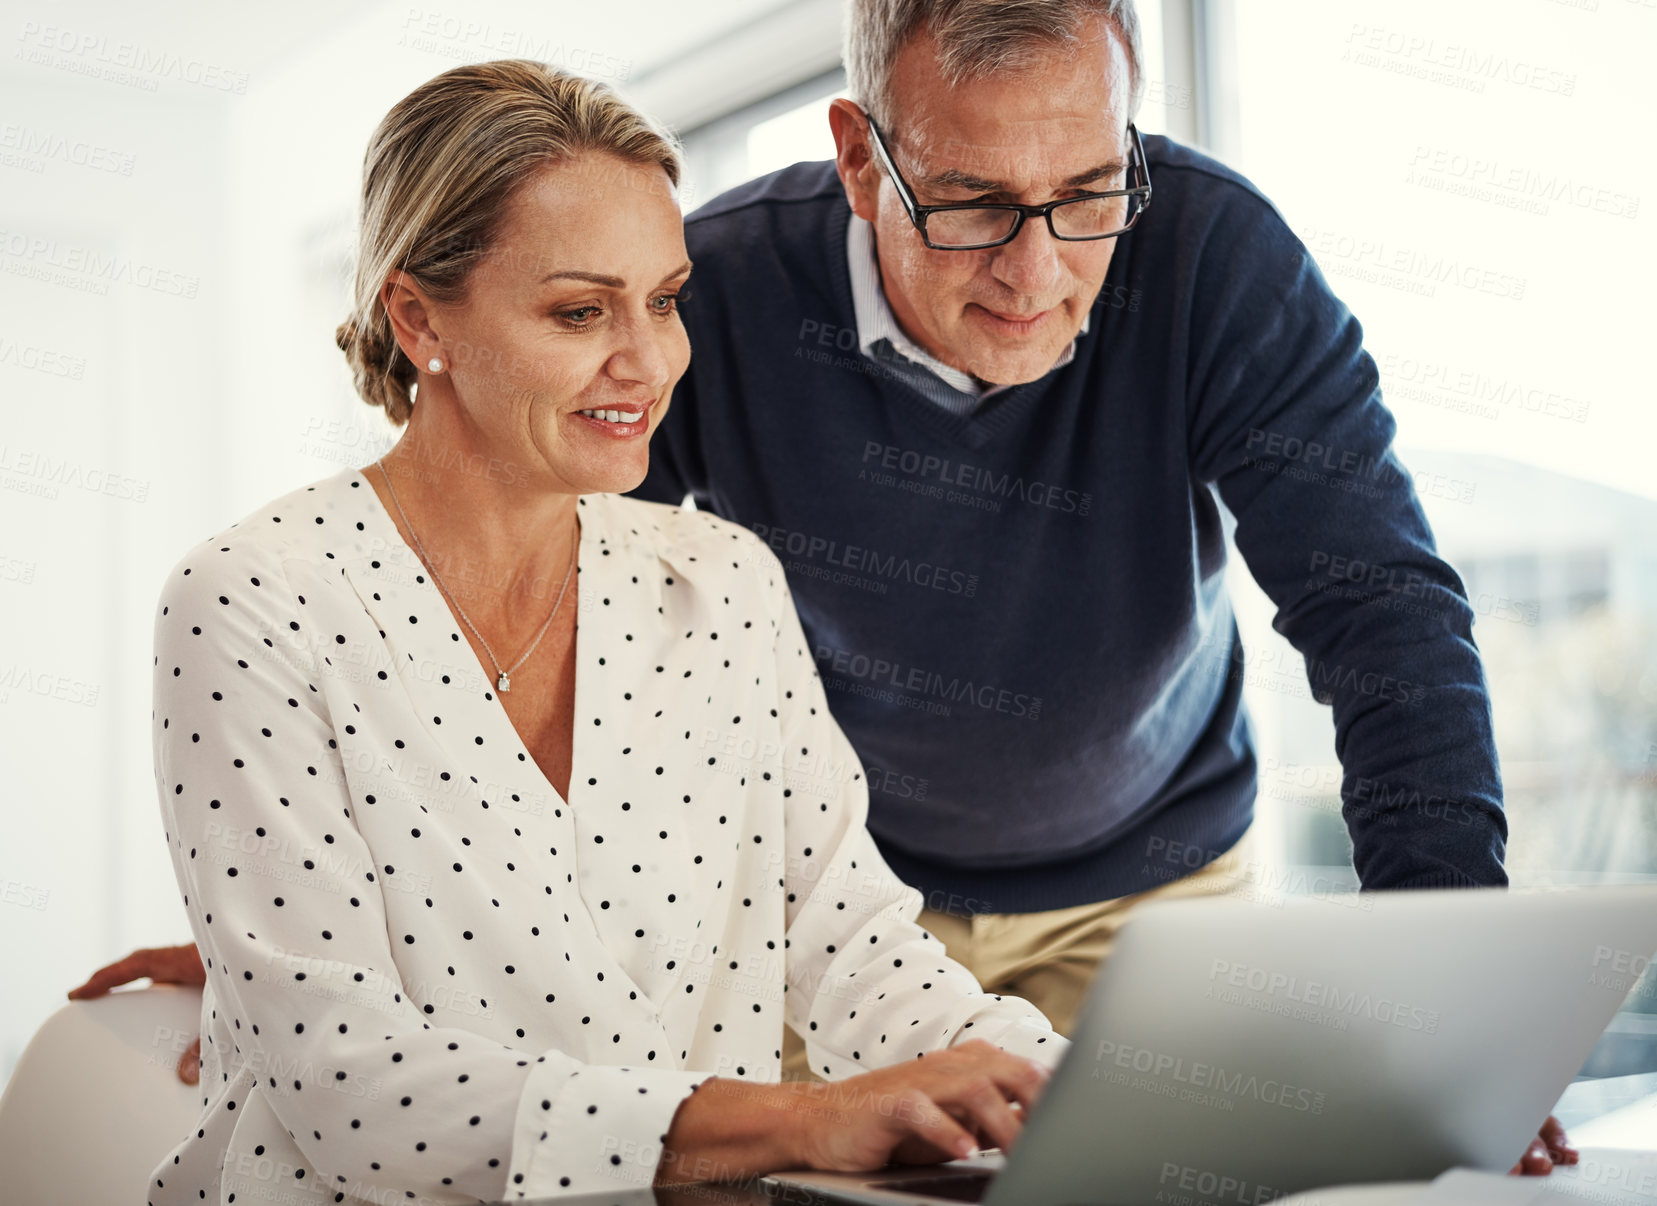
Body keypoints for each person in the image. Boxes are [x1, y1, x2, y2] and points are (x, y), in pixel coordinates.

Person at [80, 0, 1574, 1178]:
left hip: (1136, 867)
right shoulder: (709, 300)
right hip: (861, 885)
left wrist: (1434, 1041)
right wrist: (288, 945)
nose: (1039, 270)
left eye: (1089, 193)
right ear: (864, 159)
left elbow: (1379, 605)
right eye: (976, 203)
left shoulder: (1201, 257)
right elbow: (508, 681)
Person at [133, 60, 1062, 1206]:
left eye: (665, 300)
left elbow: (854, 948)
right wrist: (793, 1122)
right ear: (419, 317)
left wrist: (1051, 1084)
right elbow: (346, 1084)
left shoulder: (720, 582)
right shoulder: (251, 602)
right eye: (580, 312)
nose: (649, 360)